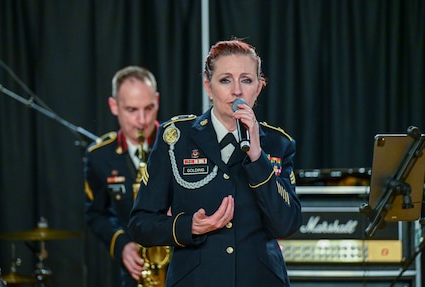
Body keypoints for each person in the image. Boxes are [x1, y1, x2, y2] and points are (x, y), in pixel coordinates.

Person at [128, 39, 302, 286]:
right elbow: (140, 224)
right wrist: (190, 226)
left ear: (259, 87)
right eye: (225, 80)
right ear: (208, 87)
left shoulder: (277, 143)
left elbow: (286, 224)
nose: (236, 91)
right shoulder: (176, 139)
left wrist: (256, 156)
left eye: (246, 80)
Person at [84, 66, 160, 287]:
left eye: (149, 108)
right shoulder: (99, 156)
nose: (142, 120)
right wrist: (122, 245)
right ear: (113, 106)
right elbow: (96, 214)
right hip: (137, 271)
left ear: (157, 100)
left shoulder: (180, 143)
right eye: (132, 110)